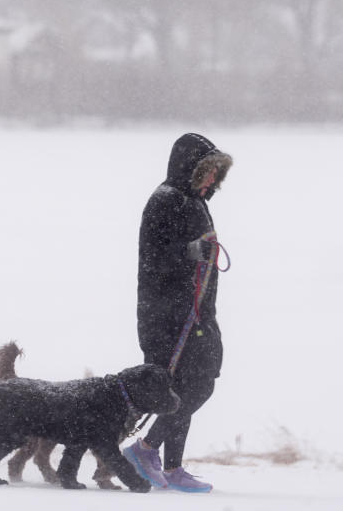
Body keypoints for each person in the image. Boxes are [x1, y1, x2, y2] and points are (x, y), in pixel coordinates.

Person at [121, 133, 233, 493]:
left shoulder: (195, 201)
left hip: (197, 312)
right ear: (191, 168)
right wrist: (190, 252)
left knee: (197, 382)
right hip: (166, 315)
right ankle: (142, 450)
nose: (213, 180)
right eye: (209, 172)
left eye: (218, 173)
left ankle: (171, 467)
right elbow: (151, 258)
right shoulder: (165, 200)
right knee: (187, 387)